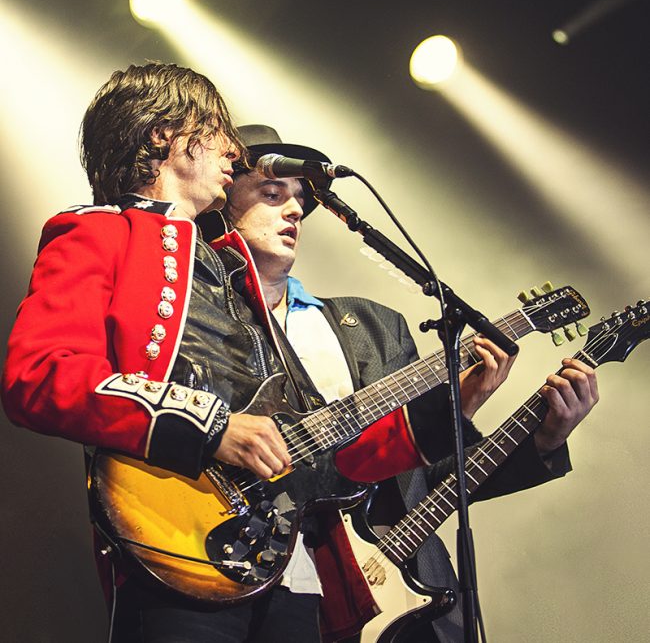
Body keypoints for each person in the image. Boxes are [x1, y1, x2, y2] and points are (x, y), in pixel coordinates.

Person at [0, 60, 597, 643]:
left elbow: (329, 448)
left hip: (287, 563)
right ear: (165, 136)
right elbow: (38, 376)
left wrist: (455, 406)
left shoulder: (237, 274)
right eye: (216, 135)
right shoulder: (99, 232)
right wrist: (211, 429)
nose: (233, 155)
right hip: (177, 535)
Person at [209, 125, 599, 643]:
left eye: (302, 199)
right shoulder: (202, 328)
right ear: (221, 203)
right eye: (273, 193)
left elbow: (435, 477)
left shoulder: (374, 327)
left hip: (402, 595)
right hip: (261, 588)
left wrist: (537, 436)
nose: (296, 211)